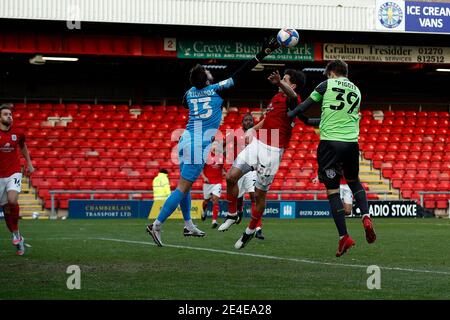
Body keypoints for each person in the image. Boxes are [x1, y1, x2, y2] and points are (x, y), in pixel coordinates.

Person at [146, 37, 280, 247]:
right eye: (208, 73)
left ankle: (188, 225)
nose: (211, 74)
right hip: (197, 145)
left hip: (185, 139)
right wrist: (264, 51)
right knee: (182, 187)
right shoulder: (216, 89)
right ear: (207, 80)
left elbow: (185, 102)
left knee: (186, 186)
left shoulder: (189, 93)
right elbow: (242, 72)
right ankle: (156, 225)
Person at [289, 59, 376, 257]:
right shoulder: (356, 90)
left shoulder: (326, 85)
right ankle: (366, 215)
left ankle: (344, 236)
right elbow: (329, 117)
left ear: (332, 72)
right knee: (354, 182)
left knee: (333, 191)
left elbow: (305, 105)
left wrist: (291, 114)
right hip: (351, 143)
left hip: (330, 144)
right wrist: (304, 120)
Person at [218, 69, 306, 250]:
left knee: (259, 195)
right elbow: (267, 120)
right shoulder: (276, 98)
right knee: (231, 177)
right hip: (258, 143)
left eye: (285, 79)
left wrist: (279, 83)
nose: (281, 80)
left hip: (273, 150)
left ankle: (250, 231)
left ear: (293, 85)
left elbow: (292, 95)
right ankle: (233, 214)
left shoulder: (294, 100)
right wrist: (253, 130)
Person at [0, 104, 35, 256]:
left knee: (12, 200)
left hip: (14, 172)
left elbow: (23, 146)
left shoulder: (18, 133)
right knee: (6, 209)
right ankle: (17, 235)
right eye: (6, 114)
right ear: (0, 117)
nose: (9, 116)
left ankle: (16, 234)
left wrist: (29, 163)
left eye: (10, 114)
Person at [225, 114, 264, 239]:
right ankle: (239, 211)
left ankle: (258, 228)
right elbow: (224, 144)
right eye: (246, 120)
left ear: (254, 122)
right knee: (239, 195)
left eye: (250, 120)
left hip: (251, 169)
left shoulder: (256, 134)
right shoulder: (236, 134)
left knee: (254, 196)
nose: (248, 122)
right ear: (242, 122)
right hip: (238, 169)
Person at [200, 143, 226, 228]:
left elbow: (222, 168)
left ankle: (214, 221)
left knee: (215, 200)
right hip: (207, 183)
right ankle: (204, 210)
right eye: (214, 146)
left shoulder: (221, 157)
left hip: (217, 182)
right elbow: (200, 169)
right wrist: (204, 177)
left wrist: (224, 173)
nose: (215, 147)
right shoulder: (206, 157)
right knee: (206, 201)